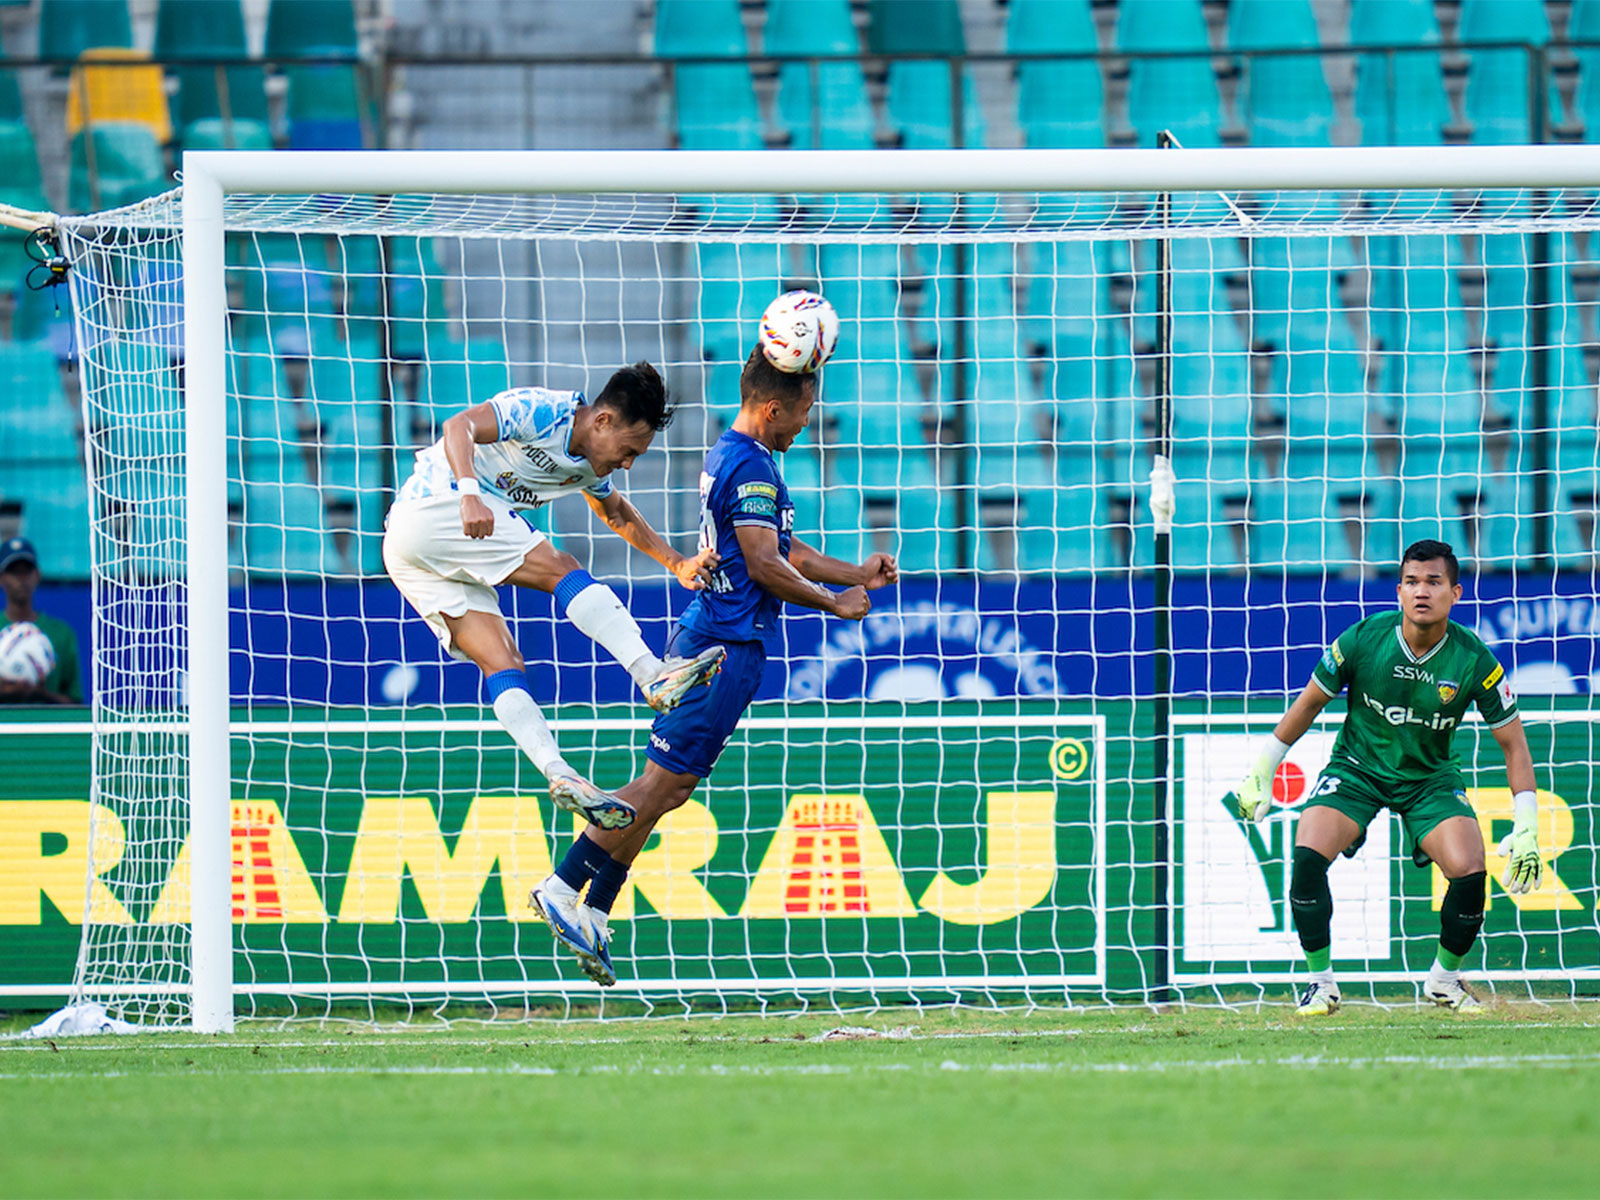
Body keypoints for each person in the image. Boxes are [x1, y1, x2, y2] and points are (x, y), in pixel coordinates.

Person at [530, 346, 900, 985]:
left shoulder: (742, 458)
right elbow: (762, 564)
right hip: (720, 648)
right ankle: (564, 885)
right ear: (774, 407)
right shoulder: (750, 467)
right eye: (806, 410)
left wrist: (855, 572)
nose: (808, 422)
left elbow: (782, 550)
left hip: (720, 641)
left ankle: (596, 904)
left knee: (668, 787)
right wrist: (835, 603)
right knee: (662, 786)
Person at [382, 363, 726, 831]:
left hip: (409, 552)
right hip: (437, 506)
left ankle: (558, 773)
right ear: (602, 421)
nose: (628, 463)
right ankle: (651, 675)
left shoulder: (590, 462)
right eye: (628, 450)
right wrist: (468, 493)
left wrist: (677, 563)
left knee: (502, 661)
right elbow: (457, 425)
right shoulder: (543, 411)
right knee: (563, 569)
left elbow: (616, 512)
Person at [1233, 539, 1543, 1015]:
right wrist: (1262, 768)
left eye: (1434, 582)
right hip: (1357, 770)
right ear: (1398, 590)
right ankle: (1322, 984)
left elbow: (1514, 744)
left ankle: (1444, 980)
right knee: (1307, 854)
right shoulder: (1362, 638)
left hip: (1430, 779)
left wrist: (1527, 822)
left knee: (1469, 869)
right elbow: (1309, 705)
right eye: (1413, 582)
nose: (1422, 592)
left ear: (1455, 593)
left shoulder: (1474, 660)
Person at [0, 536, 82, 705]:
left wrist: (39, 694)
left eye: (26, 571)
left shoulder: (61, 634)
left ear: (37, 575)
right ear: (2, 578)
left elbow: (76, 705)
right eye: (14, 572)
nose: (21, 579)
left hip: (47, 728)